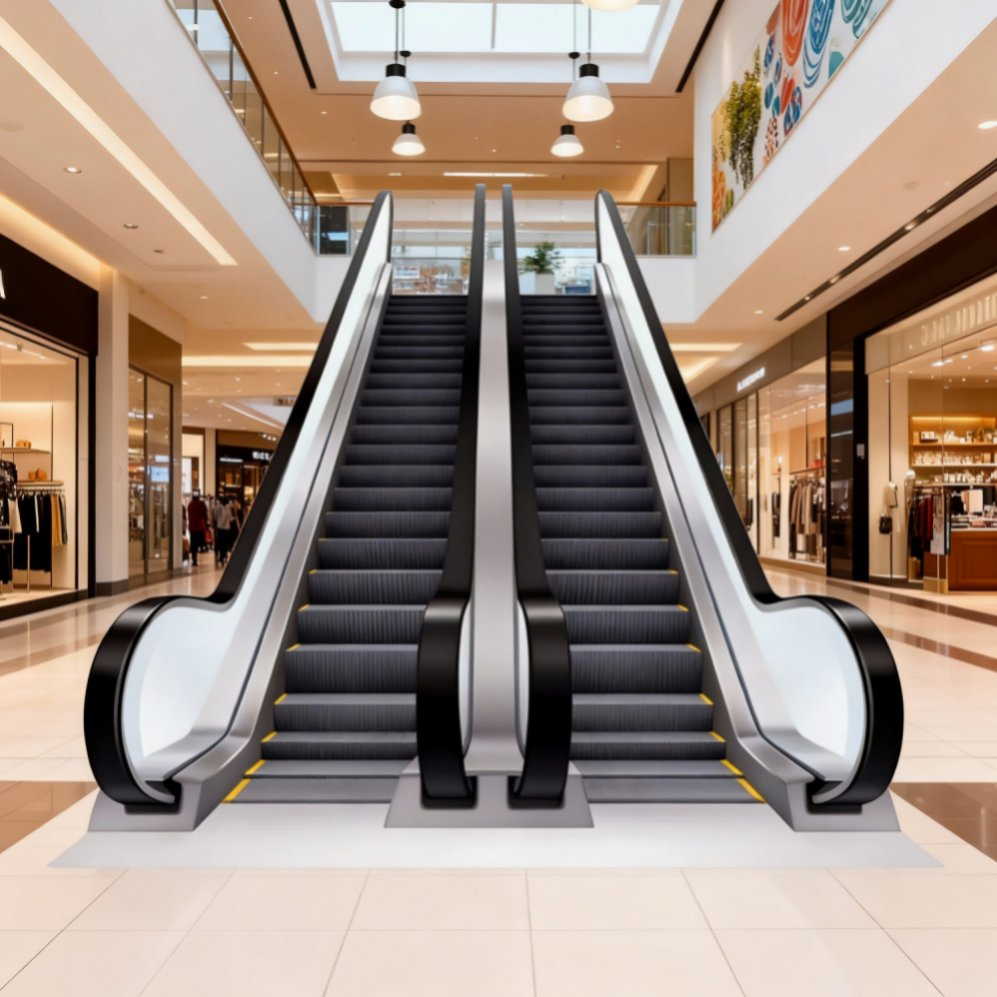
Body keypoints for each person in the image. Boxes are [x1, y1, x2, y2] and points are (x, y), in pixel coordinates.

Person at [187, 491, 208, 567]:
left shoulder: (190, 505)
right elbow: (205, 514)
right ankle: (201, 550)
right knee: (200, 542)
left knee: (193, 544)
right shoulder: (201, 504)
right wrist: (206, 522)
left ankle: (194, 559)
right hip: (199, 527)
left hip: (192, 527)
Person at [212, 496, 233, 566]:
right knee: (224, 543)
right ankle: (223, 556)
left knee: (221, 542)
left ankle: (222, 556)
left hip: (220, 527)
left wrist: (218, 521)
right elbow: (230, 518)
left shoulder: (217, 507)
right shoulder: (227, 509)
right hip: (225, 528)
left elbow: (215, 516)